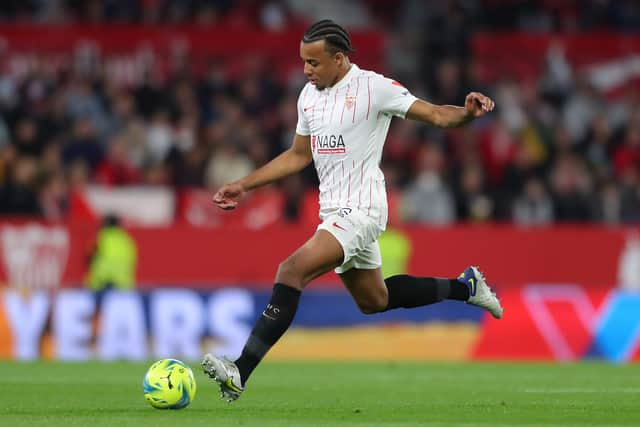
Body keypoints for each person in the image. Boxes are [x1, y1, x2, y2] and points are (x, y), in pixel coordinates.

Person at [202, 19, 503, 402]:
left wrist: (466, 113)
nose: (306, 70)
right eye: (303, 62)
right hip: (334, 212)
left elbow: (437, 115)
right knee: (373, 300)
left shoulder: (373, 88)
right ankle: (467, 287)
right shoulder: (308, 97)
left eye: (314, 62)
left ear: (340, 59)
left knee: (291, 269)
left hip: (362, 208)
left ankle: (239, 371)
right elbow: (298, 156)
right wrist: (245, 185)